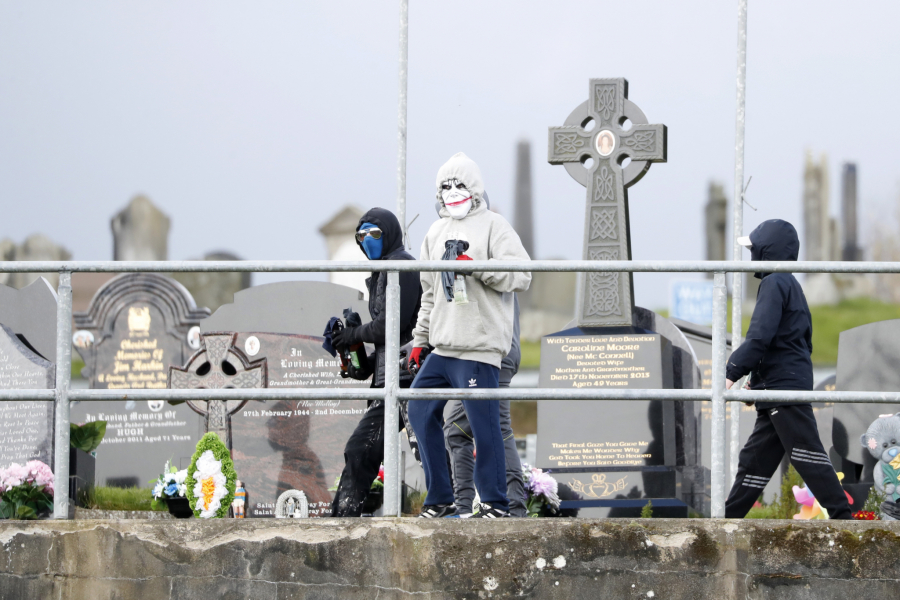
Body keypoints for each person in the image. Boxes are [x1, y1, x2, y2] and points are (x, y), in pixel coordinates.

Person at [407, 152, 531, 519]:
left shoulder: (495, 226)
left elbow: (522, 275)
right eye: (445, 186)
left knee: (484, 424)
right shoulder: (434, 232)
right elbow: (430, 294)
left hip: (479, 347)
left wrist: (477, 269)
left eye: (460, 184)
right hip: (443, 348)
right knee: (419, 409)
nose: (452, 191)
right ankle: (441, 498)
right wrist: (419, 341)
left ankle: (495, 502)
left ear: (475, 189)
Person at [723, 219, 851, 519]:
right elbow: (791, 342)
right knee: (754, 461)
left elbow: (759, 337)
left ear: (767, 252)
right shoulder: (788, 284)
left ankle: (845, 520)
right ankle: (726, 522)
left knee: (806, 454)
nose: (751, 255)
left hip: (784, 389)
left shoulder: (775, 282)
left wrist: (731, 372)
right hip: (779, 387)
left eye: (754, 248)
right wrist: (759, 381)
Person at [330, 207, 422, 517]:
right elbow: (387, 339)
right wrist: (359, 360)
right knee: (362, 450)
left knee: (367, 449)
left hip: (409, 376)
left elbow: (394, 326)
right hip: (392, 376)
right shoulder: (384, 270)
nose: (368, 240)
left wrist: (355, 333)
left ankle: (342, 519)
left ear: (390, 234)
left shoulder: (401, 267)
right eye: (361, 235)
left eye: (375, 234)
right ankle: (343, 518)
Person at [444, 280, 527, 517]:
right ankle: (470, 507)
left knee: (491, 427)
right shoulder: (491, 261)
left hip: (493, 355)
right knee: (458, 430)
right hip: (493, 353)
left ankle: (512, 507)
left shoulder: (489, 260)